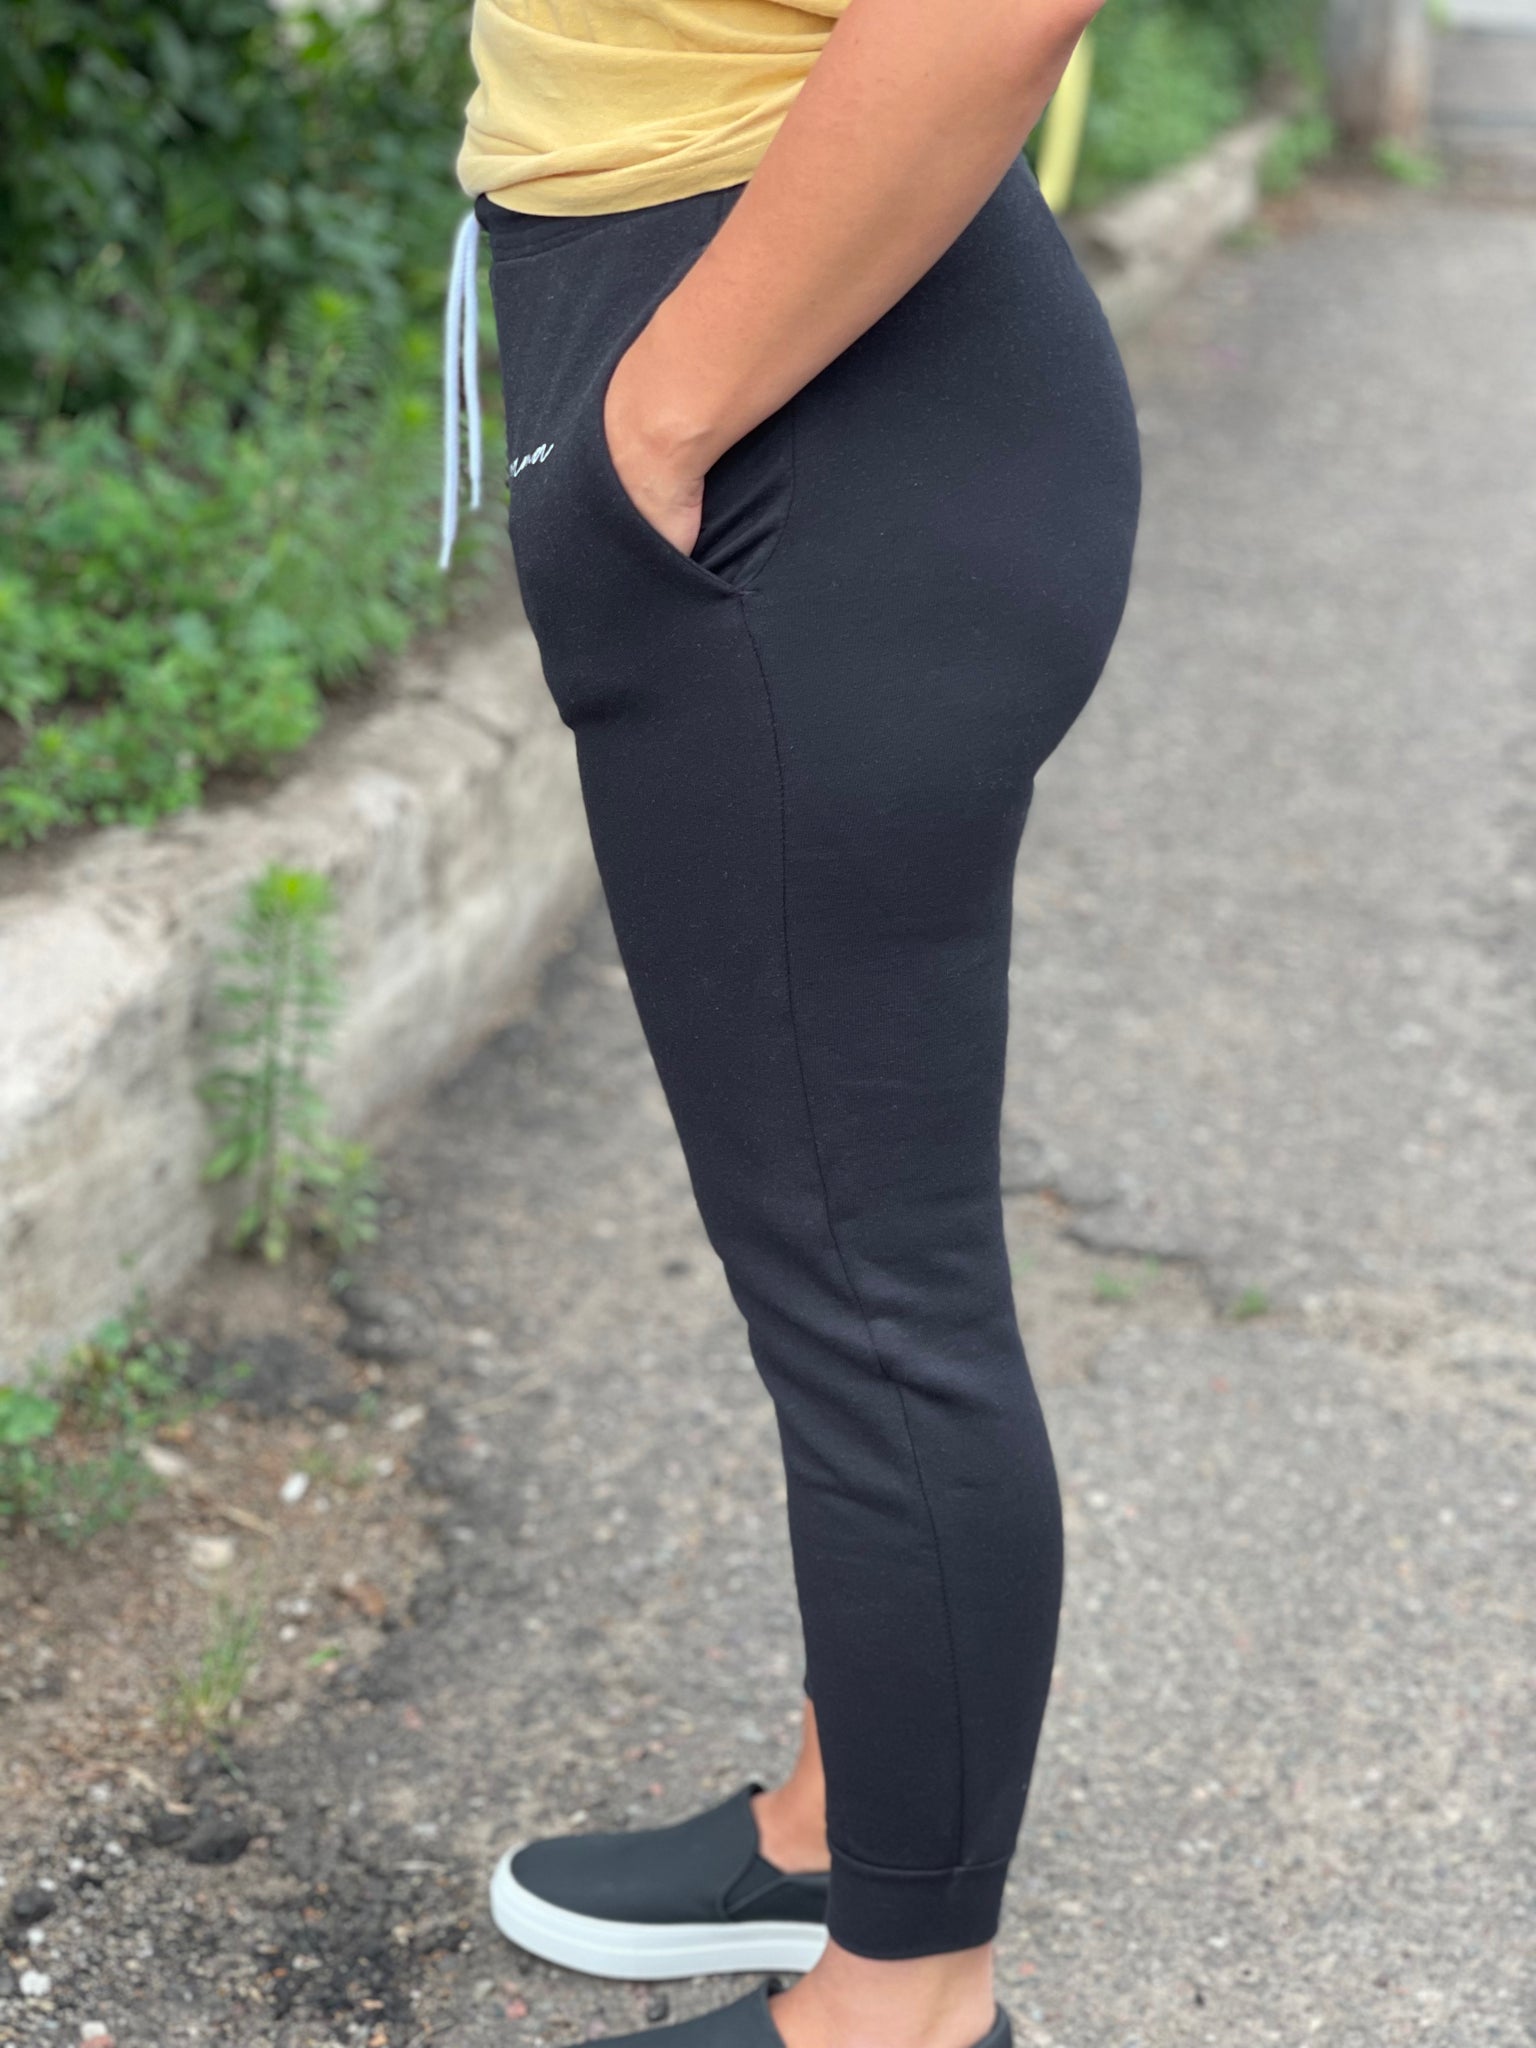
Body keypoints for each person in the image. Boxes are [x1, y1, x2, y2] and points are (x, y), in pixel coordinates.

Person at [450, 2, 1141, 2044]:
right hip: (799, 373)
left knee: (869, 1281)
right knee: (831, 1250)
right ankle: (848, 1828)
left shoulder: (712, 405)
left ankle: (906, 2000)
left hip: (796, 404)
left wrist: (663, 417)